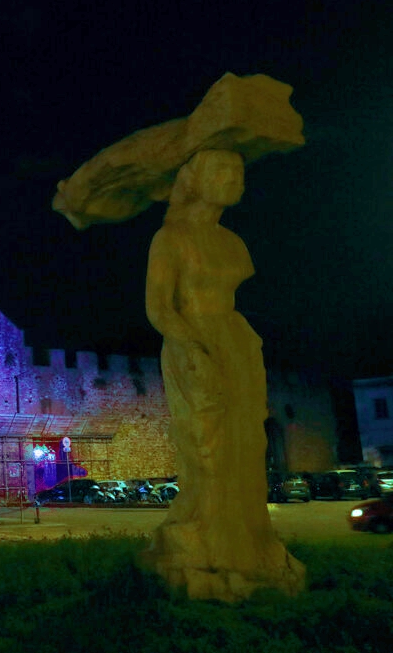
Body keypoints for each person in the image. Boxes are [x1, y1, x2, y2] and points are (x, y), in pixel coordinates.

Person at [142, 149, 303, 600]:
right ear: (195, 180)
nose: (234, 178)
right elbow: (158, 308)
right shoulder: (169, 238)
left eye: (238, 170)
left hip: (237, 342)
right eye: (221, 171)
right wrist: (192, 345)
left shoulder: (233, 244)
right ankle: (207, 541)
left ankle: (252, 542)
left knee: (248, 442)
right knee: (207, 444)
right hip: (192, 342)